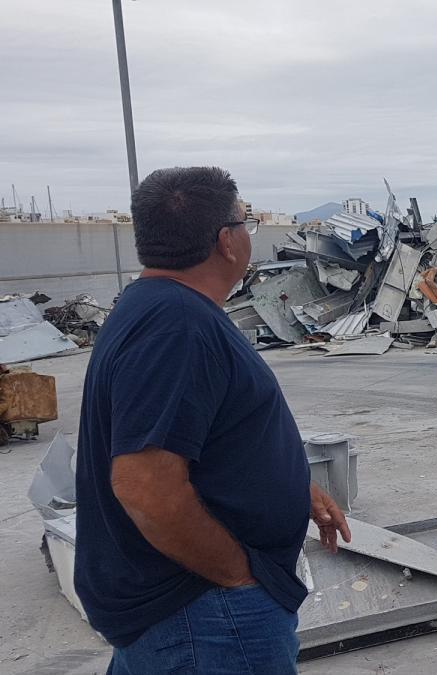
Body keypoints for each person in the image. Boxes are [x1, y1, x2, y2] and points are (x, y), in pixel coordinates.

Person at [74, 166, 351, 674]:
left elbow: (204, 435)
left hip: (188, 612)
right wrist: (237, 577)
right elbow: (146, 489)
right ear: (226, 241)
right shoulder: (175, 326)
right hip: (202, 616)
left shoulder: (158, 307)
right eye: (246, 222)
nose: (248, 234)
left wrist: (297, 491)